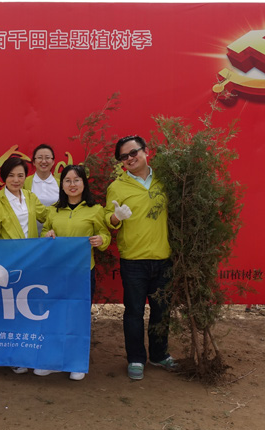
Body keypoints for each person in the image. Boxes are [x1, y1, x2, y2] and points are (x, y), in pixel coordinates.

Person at [104, 135, 177, 381]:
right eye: (124, 157)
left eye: (133, 152)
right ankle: (136, 358)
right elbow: (108, 221)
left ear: (146, 151)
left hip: (163, 257)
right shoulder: (117, 186)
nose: (130, 158)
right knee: (134, 312)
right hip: (134, 260)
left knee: (161, 310)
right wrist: (116, 217)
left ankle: (159, 354)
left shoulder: (165, 180)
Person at [39, 164, 111, 381]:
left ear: (84, 183)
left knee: (78, 317)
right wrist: (47, 234)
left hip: (82, 272)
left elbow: (105, 235)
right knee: (55, 315)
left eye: (76, 180)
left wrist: (101, 240)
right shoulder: (53, 210)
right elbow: (44, 232)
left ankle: (75, 362)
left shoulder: (95, 210)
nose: (72, 184)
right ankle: (53, 361)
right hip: (56, 272)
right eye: (68, 180)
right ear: (61, 185)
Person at [0, 156, 48, 374]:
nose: (16, 180)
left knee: (30, 308)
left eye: (20, 175)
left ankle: (31, 352)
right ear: (4, 177)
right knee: (9, 310)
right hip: (9, 263)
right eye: (11, 175)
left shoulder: (30, 196)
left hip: (32, 261)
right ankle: (12, 355)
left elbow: (47, 216)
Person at [24, 144, 60, 234]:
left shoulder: (61, 184)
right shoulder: (24, 183)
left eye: (47, 158)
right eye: (40, 158)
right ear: (33, 162)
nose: (44, 161)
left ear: (53, 161)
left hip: (55, 234)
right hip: (30, 234)